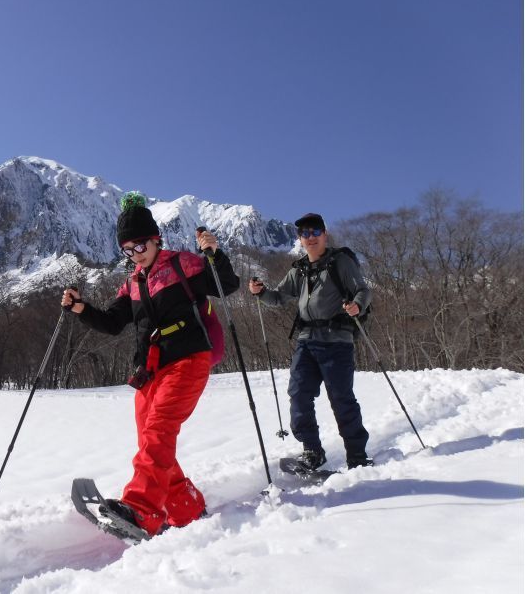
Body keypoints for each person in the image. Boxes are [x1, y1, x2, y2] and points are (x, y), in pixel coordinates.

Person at [61, 191, 239, 537]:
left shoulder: (183, 265)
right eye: (128, 250)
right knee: (150, 440)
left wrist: (214, 254)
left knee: (159, 430)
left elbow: (226, 285)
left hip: (189, 357)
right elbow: (113, 323)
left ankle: (140, 510)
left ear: (156, 239)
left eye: (141, 245)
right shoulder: (132, 284)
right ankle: (186, 507)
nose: (136, 254)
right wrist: (82, 309)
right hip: (151, 368)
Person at [248, 212, 373, 470]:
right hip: (306, 342)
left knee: (341, 398)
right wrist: (260, 293)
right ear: (300, 239)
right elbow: (280, 297)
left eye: (315, 232)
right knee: (299, 394)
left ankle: (358, 457)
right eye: (305, 233)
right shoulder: (300, 269)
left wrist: (357, 306)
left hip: (337, 341)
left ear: (325, 235)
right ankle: (312, 451)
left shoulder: (341, 262)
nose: (311, 237)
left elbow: (363, 289)